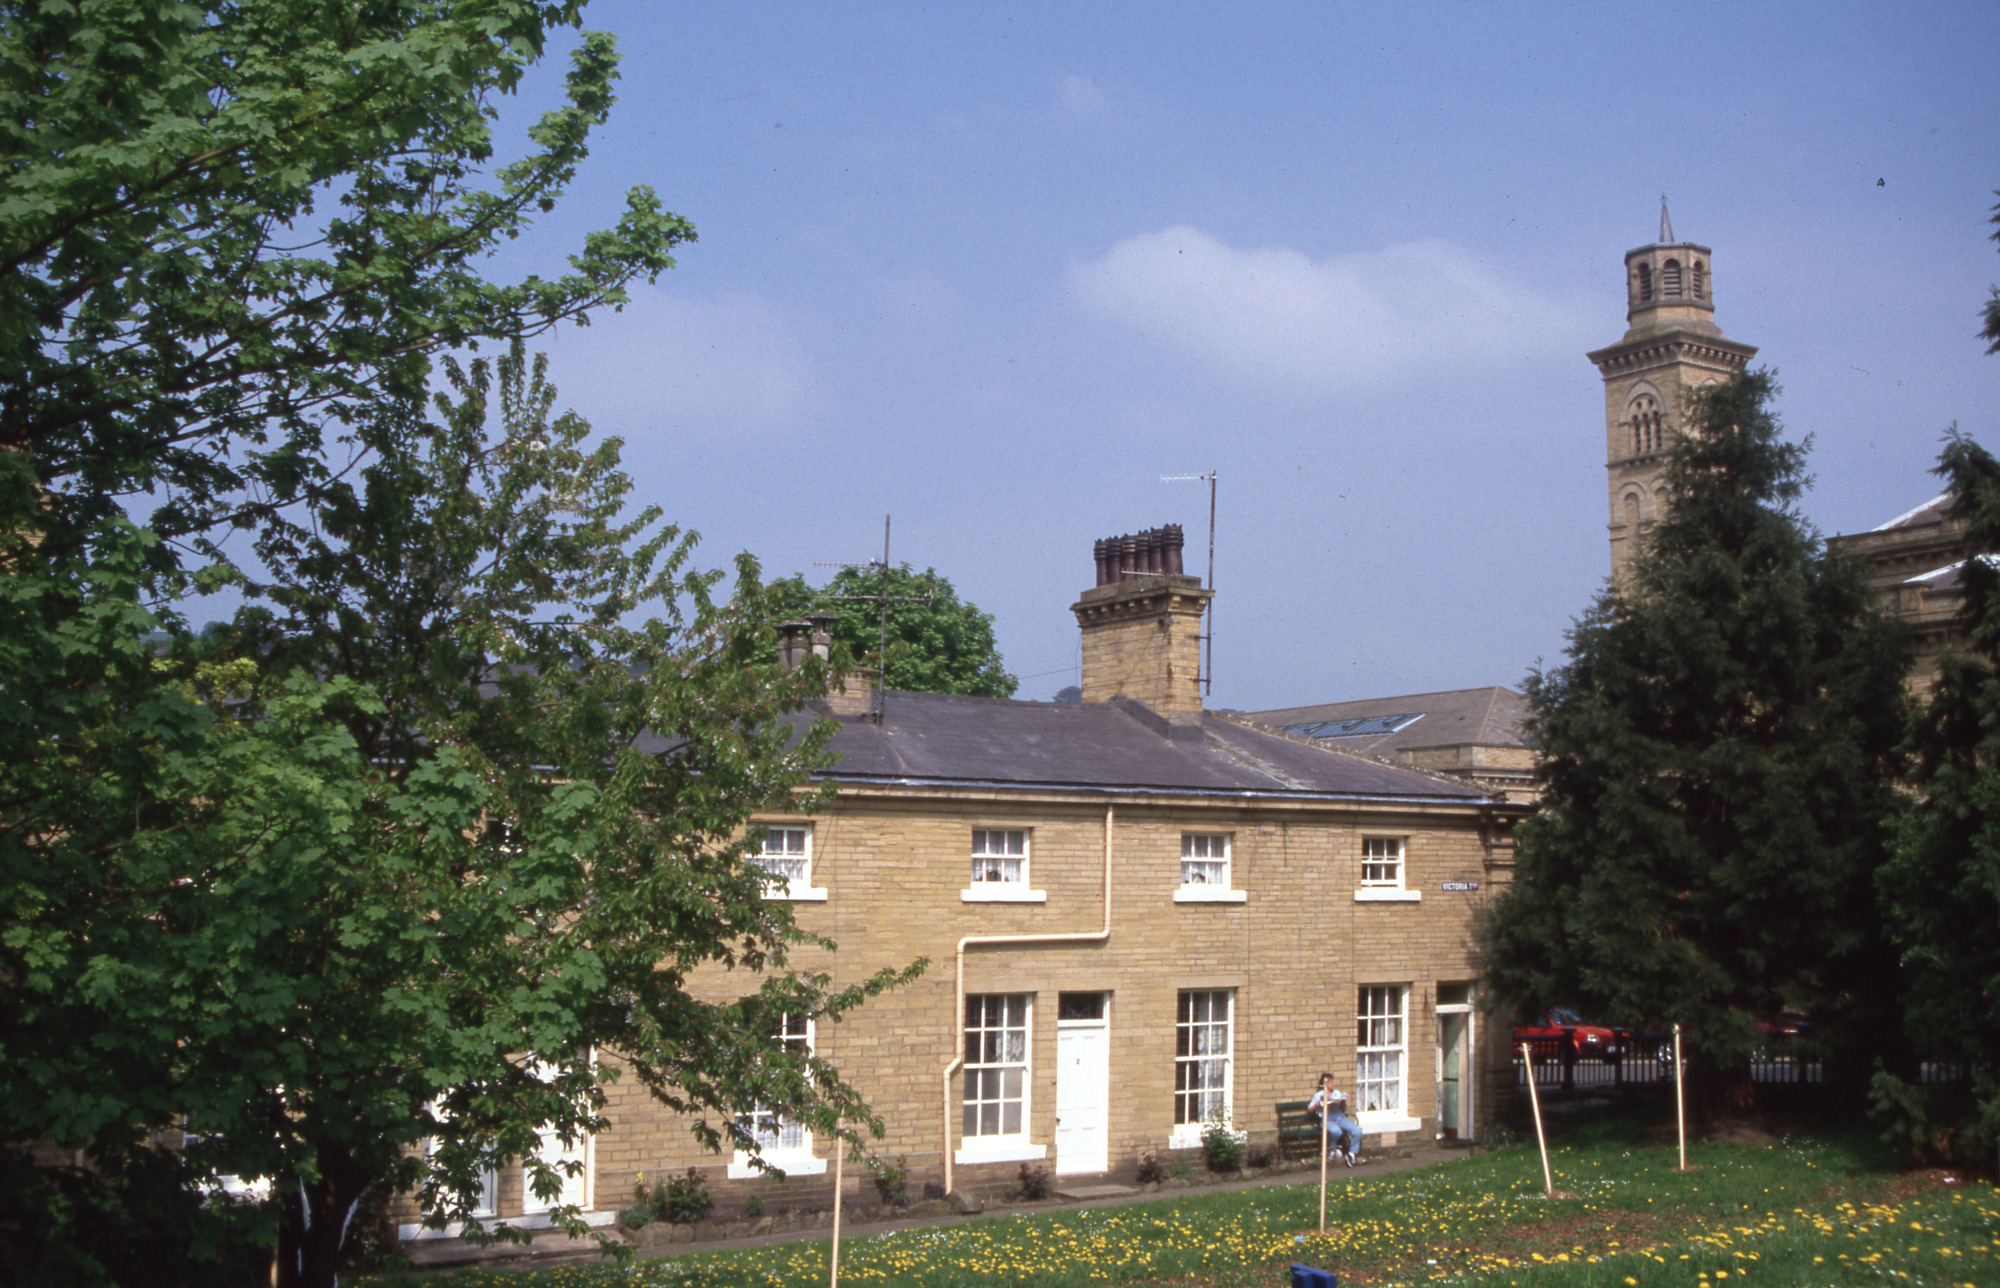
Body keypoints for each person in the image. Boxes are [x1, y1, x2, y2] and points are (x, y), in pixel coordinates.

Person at [1307, 1072, 1362, 1166]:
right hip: (1327, 1119)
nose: (1334, 1084)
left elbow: (1343, 1109)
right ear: (1326, 1084)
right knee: (1336, 1131)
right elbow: (1310, 1110)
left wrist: (1342, 1102)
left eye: (1333, 1082)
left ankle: (1352, 1154)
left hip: (1340, 1117)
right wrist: (1317, 1105)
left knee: (1357, 1131)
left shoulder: (1337, 1093)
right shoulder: (1319, 1094)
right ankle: (1331, 1149)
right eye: (1332, 1082)